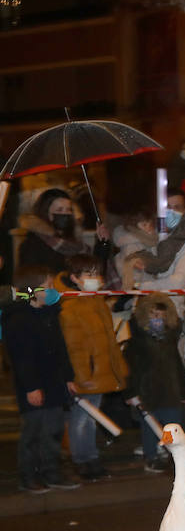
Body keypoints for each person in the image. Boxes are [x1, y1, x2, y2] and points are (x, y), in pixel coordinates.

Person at [2, 268, 80, 492]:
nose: (53, 290)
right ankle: (28, 476)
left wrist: (68, 377)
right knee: (33, 433)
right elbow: (21, 358)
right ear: (33, 290)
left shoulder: (50, 314)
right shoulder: (18, 319)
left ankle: (52, 472)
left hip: (54, 383)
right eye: (48, 286)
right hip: (34, 386)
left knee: (53, 430)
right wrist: (31, 387)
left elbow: (60, 349)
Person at [55, 254, 128, 481]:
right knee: (81, 418)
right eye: (88, 274)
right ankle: (82, 459)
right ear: (75, 278)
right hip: (87, 374)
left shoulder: (96, 302)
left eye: (96, 273)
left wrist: (118, 368)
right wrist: (81, 376)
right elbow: (74, 347)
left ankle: (90, 457)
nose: (94, 278)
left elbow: (108, 341)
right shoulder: (71, 307)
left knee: (90, 418)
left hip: (99, 371)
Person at [124, 292, 185, 473]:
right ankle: (151, 456)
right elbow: (130, 370)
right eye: (153, 315)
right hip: (148, 393)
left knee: (174, 426)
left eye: (161, 315)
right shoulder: (137, 344)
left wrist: (183, 390)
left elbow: (177, 366)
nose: (158, 319)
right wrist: (131, 392)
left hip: (170, 392)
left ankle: (174, 455)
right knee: (149, 428)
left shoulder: (169, 341)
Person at [18, 188, 110, 277]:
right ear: (46, 213)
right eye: (59, 210)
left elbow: (93, 273)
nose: (66, 214)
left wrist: (102, 244)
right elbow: (30, 280)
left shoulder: (74, 243)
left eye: (69, 210)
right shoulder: (32, 244)